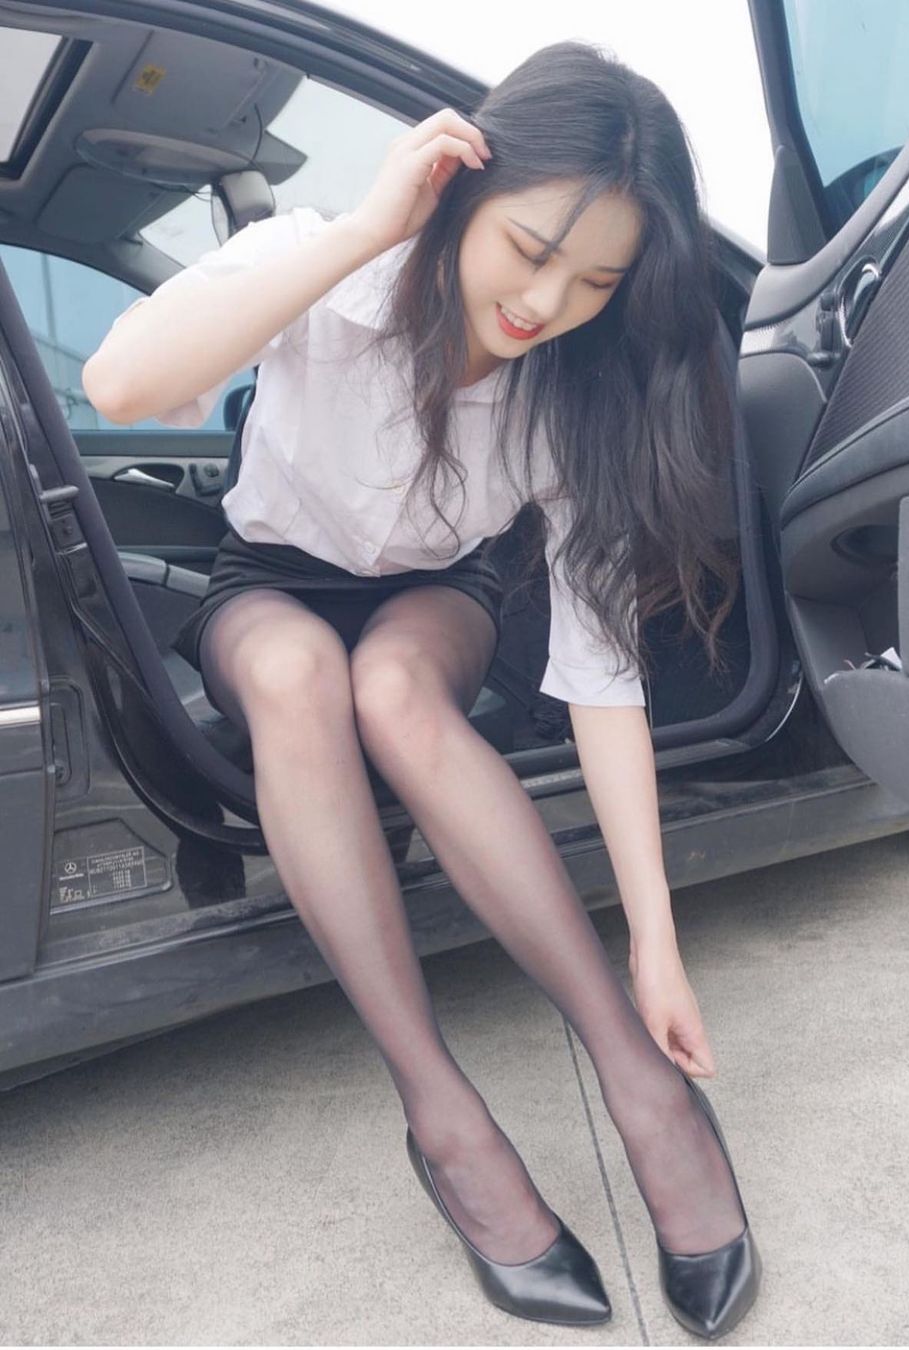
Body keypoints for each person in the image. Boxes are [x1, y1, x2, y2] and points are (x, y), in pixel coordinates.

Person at [83, 40, 760, 1339]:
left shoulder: (571, 391)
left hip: (437, 597)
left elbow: (601, 672)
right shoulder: (330, 267)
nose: (547, 300)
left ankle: (644, 1084)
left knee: (393, 686)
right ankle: (443, 1116)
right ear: (464, 189)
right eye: (529, 249)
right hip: (270, 583)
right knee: (300, 671)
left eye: (596, 281)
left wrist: (657, 940)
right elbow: (120, 383)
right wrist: (364, 231)